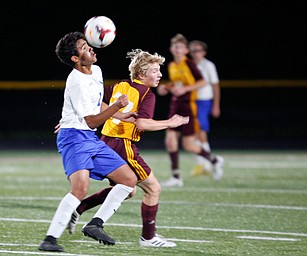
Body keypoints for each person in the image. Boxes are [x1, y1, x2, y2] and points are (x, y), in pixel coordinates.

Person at [66, 49, 189, 247]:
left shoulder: (120, 85)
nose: (160, 75)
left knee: (126, 189)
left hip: (104, 141)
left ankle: (79, 208)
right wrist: (170, 123)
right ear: (141, 74)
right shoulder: (147, 94)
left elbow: (97, 102)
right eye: (155, 71)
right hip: (123, 145)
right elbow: (142, 124)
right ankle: (148, 238)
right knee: (153, 189)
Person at [38, 31, 137, 252]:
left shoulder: (97, 71)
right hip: (74, 138)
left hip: (88, 137)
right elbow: (91, 121)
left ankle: (95, 224)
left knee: (129, 181)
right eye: (84, 47)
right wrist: (117, 107)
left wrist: (120, 115)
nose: (91, 48)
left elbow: (96, 105)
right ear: (75, 58)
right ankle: (50, 239)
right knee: (80, 187)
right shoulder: (76, 81)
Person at [157, 33, 224, 187]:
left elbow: (202, 82)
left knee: (188, 145)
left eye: (180, 47)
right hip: (175, 106)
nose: (177, 49)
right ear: (171, 49)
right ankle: (176, 177)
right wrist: (166, 87)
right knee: (170, 141)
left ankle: (214, 160)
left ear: (186, 50)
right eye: (175, 47)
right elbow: (176, 84)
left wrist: (186, 88)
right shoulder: (172, 65)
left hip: (188, 106)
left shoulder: (190, 64)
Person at [189, 40, 224, 176]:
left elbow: (215, 86)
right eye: (193, 50)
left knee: (201, 131)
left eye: (198, 50)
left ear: (204, 52)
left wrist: (216, 105)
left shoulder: (208, 65)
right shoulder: (189, 65)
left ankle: (208, 163)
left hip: (203, 101)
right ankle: (204, 163)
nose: (196, 53)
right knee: (193, 134)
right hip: (191, 101)